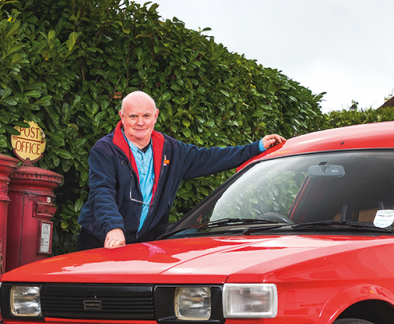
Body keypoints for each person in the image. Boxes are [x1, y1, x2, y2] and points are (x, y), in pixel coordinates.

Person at [76, 91, 286, 251]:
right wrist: (113, 227)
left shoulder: (172, 149)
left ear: (156, 116)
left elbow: (211, 157)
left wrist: (256, 147)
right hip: (102, 240)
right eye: (133, 116)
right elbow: (102, 191)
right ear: (121, 116)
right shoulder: (105, 149)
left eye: (146, 115)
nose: (140, 122)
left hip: (142, 245)